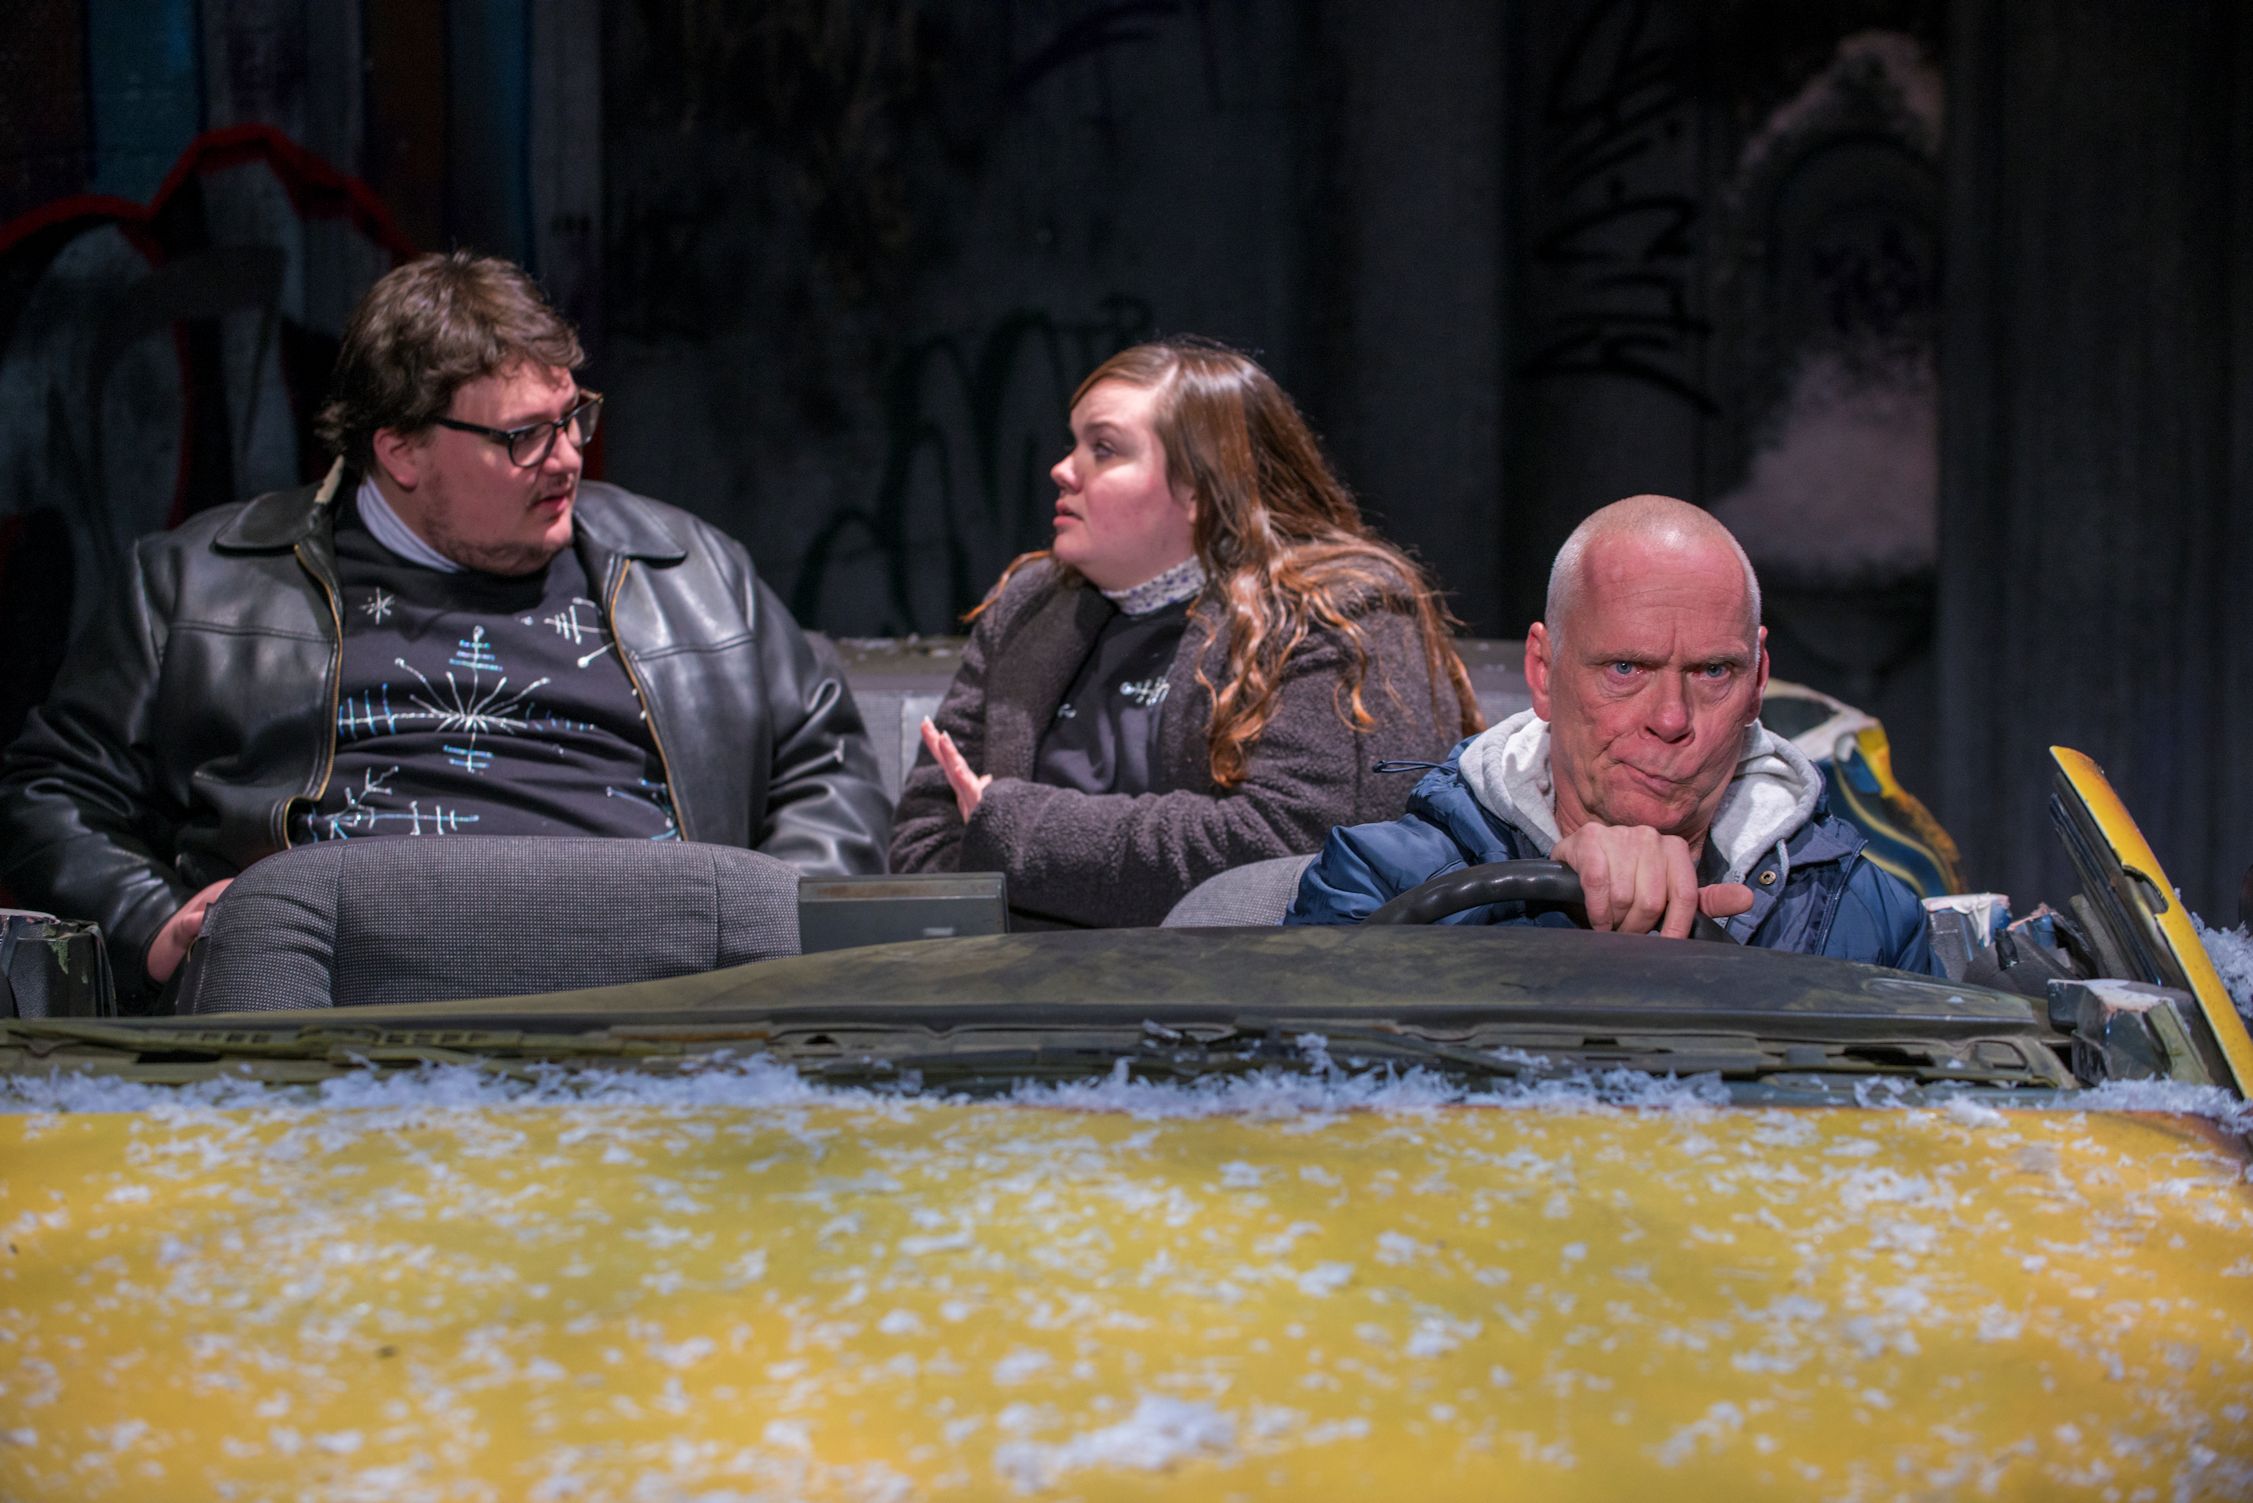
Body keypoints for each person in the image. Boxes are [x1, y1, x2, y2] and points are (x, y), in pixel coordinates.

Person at [0, 251, 890, 1001]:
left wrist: (781, 940)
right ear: (400, 450)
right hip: (338, 990)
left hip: (659, 979)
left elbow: (824, 763)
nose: (567, 457)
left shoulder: (691, 570)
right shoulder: (199, 585)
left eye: (573, 416)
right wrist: (153, 924)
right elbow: (52, 790)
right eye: (523, 437)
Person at [888, 337, 1483, 927]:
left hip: (1232, 981)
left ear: (1198, 486)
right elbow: (924, 839)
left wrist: (1012, 825)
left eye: (1103, 448)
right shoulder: (1029, 604)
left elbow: (1294, 853)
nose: (1062, 470)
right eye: (1074, 443)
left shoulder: (1337, 614)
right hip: (1012, 972)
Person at [1287, 494, 1939, 973]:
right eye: (1625, 669)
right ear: (1543, 672)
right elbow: (1306, 1096)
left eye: (1713, 671)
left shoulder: (1867, 916)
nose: (1671, 718)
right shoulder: (1379, 883)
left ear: (1758, 681)